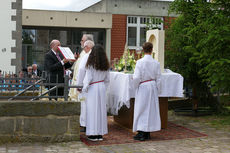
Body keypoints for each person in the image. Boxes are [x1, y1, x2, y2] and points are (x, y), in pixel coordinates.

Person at [78, 44, 110, 141]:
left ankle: (92, 134)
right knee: (100, 111)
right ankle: (100, 134)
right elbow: (107, 79)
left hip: (92, 87)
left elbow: (89, 78)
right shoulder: (105, 64)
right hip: (101, 87)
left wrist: (83, 88)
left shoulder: (91, 64)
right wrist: (104, 88)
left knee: (92, 111)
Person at [132, 42, 161, 141]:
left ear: (143, 50)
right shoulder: (156, 63)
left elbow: (136, 77)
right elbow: (159, 78)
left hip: (143, 86)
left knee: (141, 109)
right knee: (150, 110)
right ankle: (147, 132)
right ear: (152, 50)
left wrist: (136, 87)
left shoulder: (140, 62)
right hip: (152, 86)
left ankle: (142, 133)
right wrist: (158, 90)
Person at [76, 40, 95, 132]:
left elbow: (81, 71)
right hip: (96, 85)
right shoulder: (99, 57)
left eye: (84, 47)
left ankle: (84, 124)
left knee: (84, 105)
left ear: (88, 47)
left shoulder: (86, 56)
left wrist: (79, 85)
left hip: (86, 85)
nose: (83, 49)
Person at [69, 34, 94, 101]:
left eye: (82, 40)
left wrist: (79, 85)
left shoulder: (88, 54)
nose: (81, 42)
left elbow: (82, 69)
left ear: (87, 42)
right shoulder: (83, 52)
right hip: (76, 82)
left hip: (82, 84)